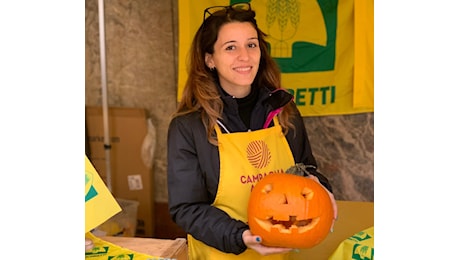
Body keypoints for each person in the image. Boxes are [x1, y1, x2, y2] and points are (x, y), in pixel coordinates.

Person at [167, 3, 337, 259]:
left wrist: (320, 186)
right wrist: (241, 236)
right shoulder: (189, 126)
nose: (244, 56)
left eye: (252, 44)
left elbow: (306, 169)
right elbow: (187, 208)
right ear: (209, 59)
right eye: (230, 47)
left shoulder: (284, 112)